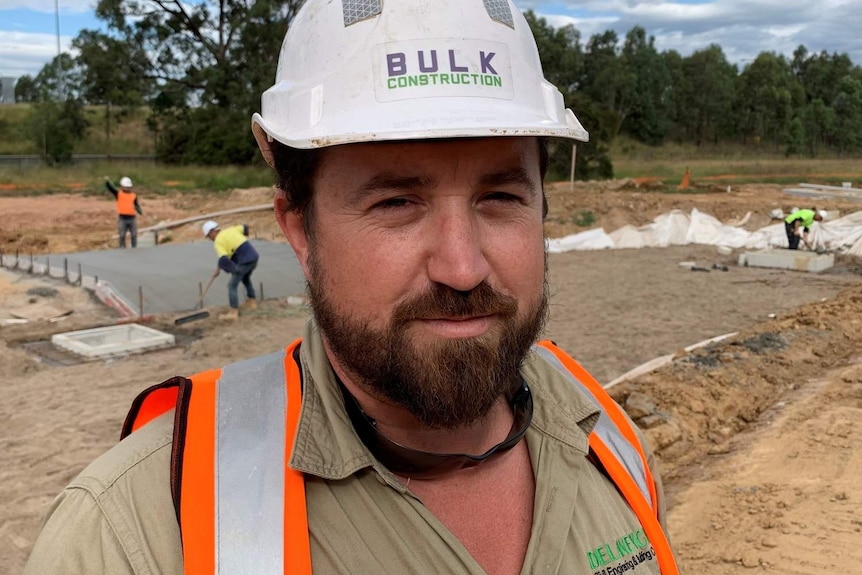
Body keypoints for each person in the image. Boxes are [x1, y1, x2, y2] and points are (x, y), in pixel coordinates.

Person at [25, 2, 680, 574]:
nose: (462, 267)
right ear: (299, 229)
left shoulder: (604, 437)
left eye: (501, 195)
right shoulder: (129, 536)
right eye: (396, 201)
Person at [201, 220, 259, 320]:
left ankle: (233, 312)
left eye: (208, 236)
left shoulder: (218, 241)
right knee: (245, 278)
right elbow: (244, 228)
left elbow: (223, 259)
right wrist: (218, 270)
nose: (210, 239)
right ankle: (252, 302)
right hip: (254, 257)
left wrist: (234, 270)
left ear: (212, 232)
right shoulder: (231, 230)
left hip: (245, 260)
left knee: (232, 285)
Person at [105, 176, 143, 248]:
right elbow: (111, 189)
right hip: (122, 218)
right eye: (125, 187)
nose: (126, 188)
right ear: (122, 186)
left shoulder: (133, 195)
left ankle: (134, 248)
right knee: (122, 235)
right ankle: (122, 248)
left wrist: (139, 210)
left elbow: (136, 204)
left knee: (134, 234)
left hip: (132, 218)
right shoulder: (118, 194)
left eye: (128, 187)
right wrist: (107, 182)